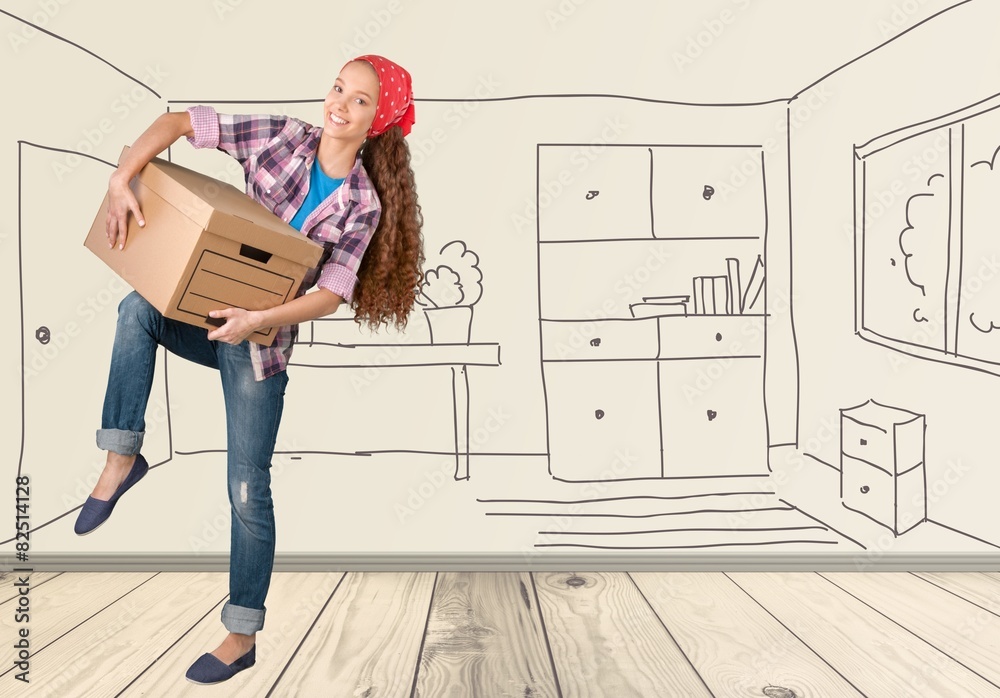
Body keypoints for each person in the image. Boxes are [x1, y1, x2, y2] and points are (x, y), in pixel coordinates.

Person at [73, 54, 424, 685]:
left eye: (360, 100)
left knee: (246, 490)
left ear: (379, 121)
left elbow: (331, 292)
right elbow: (181, 121)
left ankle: (241, 637)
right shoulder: (284, 137)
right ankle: (122, 455)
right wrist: (121, 179)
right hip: (202, 314)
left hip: (260, 349)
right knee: (134, 310)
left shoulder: (362, 204)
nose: (339, 104)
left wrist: (258, 314)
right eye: (337, 88)